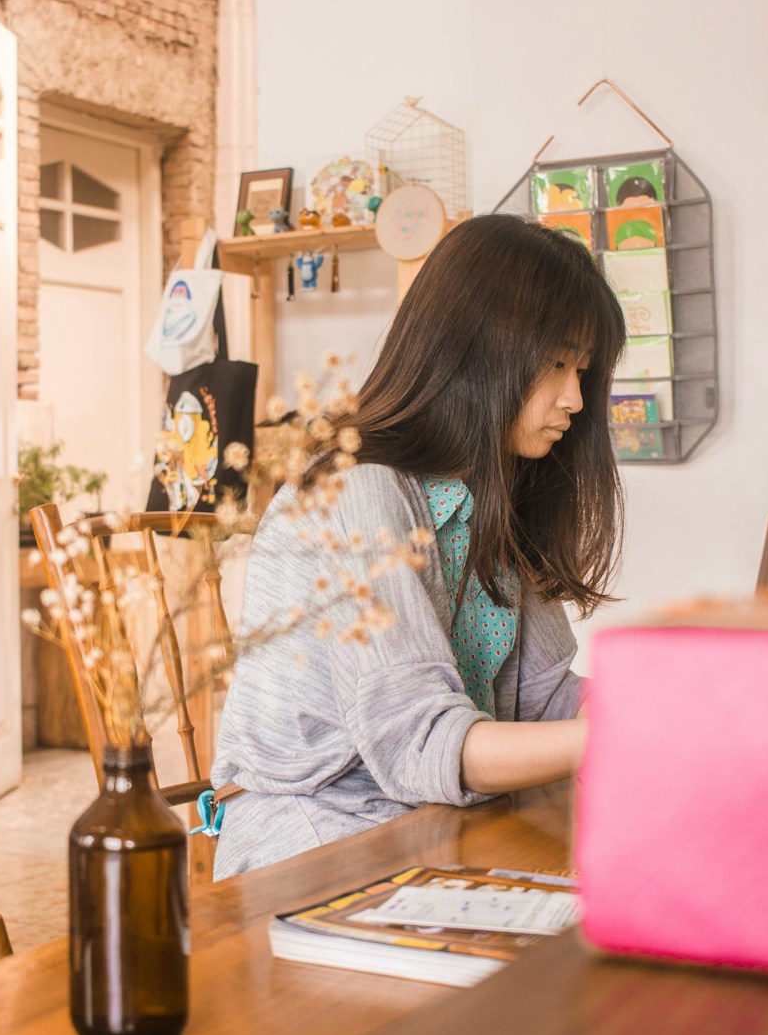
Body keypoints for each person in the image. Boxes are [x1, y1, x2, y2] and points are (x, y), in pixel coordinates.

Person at [209, 213, 627, 878]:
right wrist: (623, 734)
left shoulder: (485, 496)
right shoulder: (356, 494)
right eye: (554, 362)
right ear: (475, 351)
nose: (575, 397)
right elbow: (422, 744)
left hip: (431, 824)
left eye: (583, 367)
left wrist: (674, 703)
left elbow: (541, 703)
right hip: (314, 843)